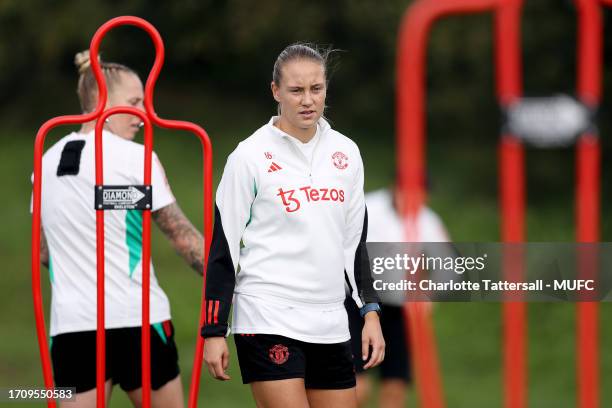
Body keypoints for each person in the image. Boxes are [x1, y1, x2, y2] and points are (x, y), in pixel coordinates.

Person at [201, 43, 385, 408]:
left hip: (332, 319)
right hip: (267, 315)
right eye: (296, 90)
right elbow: (224, 246)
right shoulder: (248, 156)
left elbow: (355, 244)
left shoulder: (346, 153)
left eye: (316, 89)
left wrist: (371, 312)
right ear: (276, 91)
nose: (307, 100)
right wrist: (213, 330)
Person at [35, 50, 204, 408]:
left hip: (72, 326)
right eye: (135, 102)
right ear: (100, 100)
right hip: (137, 319)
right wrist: (230, 281)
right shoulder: (135, 158)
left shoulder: (44, 162)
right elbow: (181, 236)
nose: (143, 114)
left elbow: (43, 251)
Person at [346, 185, 451, 408]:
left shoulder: (428, 222)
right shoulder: (367, 207)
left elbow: (448, 266)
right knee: (356, 385)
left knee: (395, 386)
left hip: (401, 310)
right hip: (358, 304)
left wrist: (427, 296)